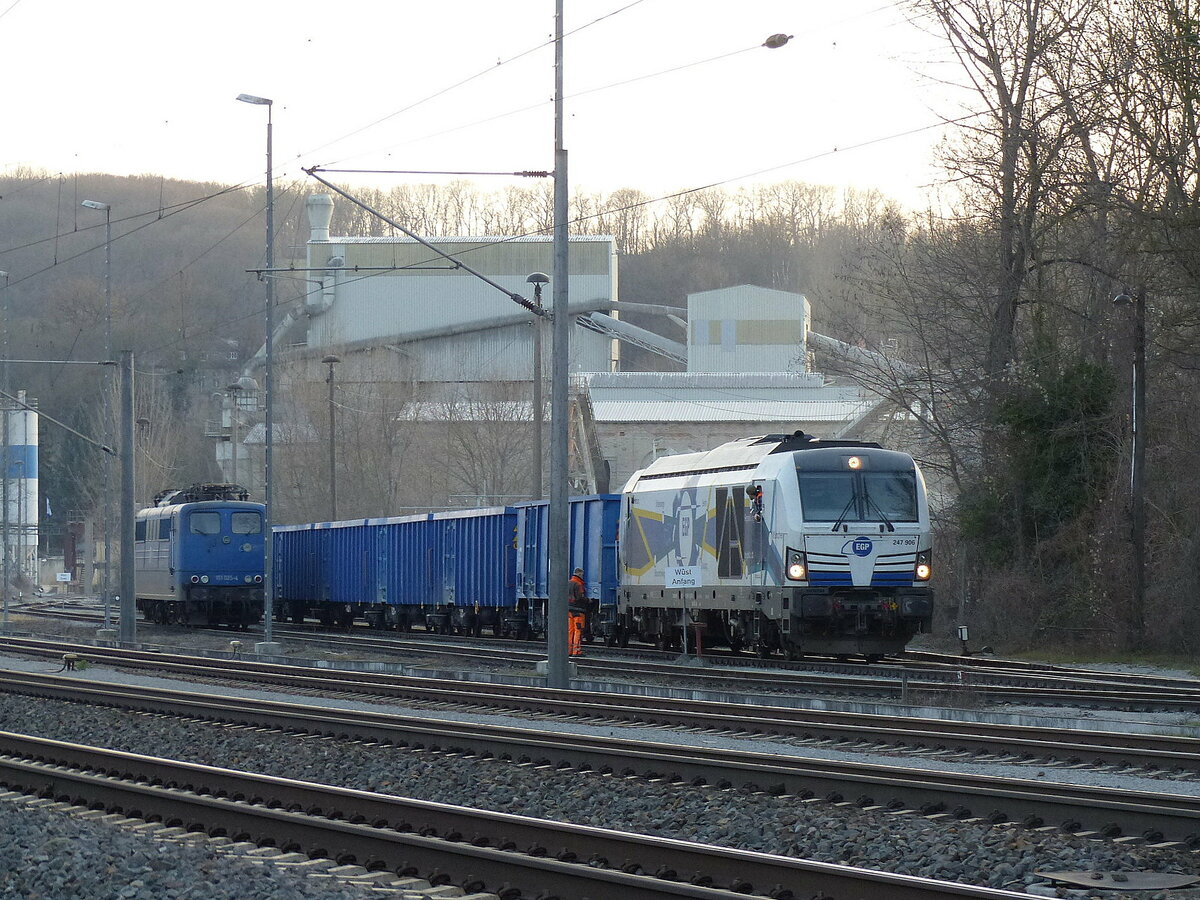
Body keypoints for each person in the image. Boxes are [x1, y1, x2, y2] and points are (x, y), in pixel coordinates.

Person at [568, 567, 587, 657]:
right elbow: (580, 598)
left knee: (570, 631)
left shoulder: (568, 583)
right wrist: (588, 600)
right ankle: (576, 651)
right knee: (578, 630)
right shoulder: (579, 584)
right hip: (578, 611)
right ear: (579, 574)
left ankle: (569, 650)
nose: (583, 576)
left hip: (569, 611)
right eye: (582, 574)